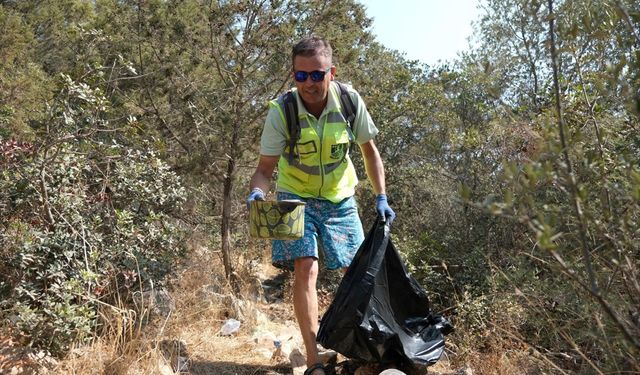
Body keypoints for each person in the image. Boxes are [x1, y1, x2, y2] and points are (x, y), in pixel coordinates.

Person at [247, 36, 395, 375]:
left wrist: (381, 196)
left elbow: (370, 153)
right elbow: (264, 170)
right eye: (301, 76)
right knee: (306, 267)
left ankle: (368, 349)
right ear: (293, 75)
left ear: (331, 72)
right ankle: (314, 361)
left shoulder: (349, 101)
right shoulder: (281, 111)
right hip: (293, 196)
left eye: (316, 75)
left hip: (340, 197)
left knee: (358, 274)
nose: (309, 83)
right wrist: (257, 193)